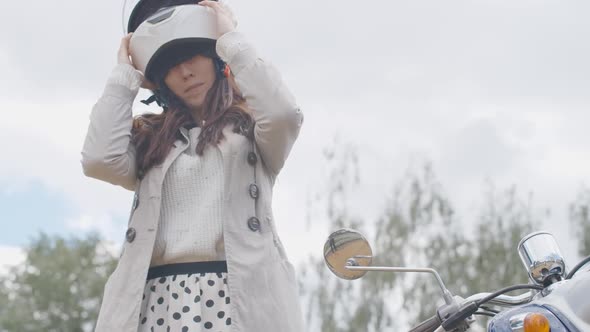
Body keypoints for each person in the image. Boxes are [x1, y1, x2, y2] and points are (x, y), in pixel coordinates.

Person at [81, 1, 304, 331]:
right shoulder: (152, 142)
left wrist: (230, 38)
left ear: (215, 58)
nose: (184, 72)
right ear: (158, 82)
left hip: (239, 297)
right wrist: (124, 75)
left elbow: (283, 113)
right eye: (169, 66)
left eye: (192, 55)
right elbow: (99, 159)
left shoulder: (254, 131)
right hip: (153, 297)